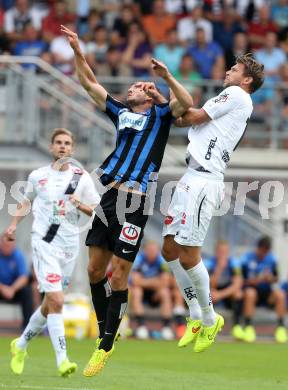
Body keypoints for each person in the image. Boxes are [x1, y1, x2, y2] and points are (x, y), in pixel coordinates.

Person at [60, 24, 192, 376]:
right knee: (93, 270)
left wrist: (165, 79)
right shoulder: (120, 111)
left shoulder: (161, 116)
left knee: (119, 275)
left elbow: (187, 103)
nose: (132, 88)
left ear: (148, 97)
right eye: (133, 86)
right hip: (109, 198)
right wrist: (77, 50)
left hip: (134, 203)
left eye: (137, 86)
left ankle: (104, 344)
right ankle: (108, 328)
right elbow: (89, 82)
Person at [161, 53, 264, 353]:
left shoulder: (235, 94)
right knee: (169, 249)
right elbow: (190, 120)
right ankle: (194, 314)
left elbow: (191, 117)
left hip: (204, 181)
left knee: (189, 256)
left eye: (234, 69)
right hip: (191, 176)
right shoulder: (232, 100)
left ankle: (210, 317)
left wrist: (164, 112)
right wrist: (166, 105)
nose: (228, 71)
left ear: (246, 80)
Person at [5, 128, 100, 377]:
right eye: (58, 142)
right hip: (45, 242)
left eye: (67, 143)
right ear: (51, 147)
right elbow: (26, 202)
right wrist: (13, 224)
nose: (62, 146)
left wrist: (79, 204)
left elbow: (97, 211)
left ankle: (21, 344)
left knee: (50, 304)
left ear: (72, 149)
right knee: (57, 300)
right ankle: (62, 360)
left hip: (69, 247)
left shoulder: (82, 178)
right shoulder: (38, 176)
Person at [241, 236, 287, 343]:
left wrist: (270, 278)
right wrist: (256, 280)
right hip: (253, 291)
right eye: (263, 250)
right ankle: (248, 328)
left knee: (280, 294)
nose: (264, 253)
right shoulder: (247, 258)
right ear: (258, 248)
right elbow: (242, 280)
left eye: (266, 251)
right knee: (250, 293)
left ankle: (281, 328)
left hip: (267, 292)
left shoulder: (272, 259)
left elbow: (276, 278)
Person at [130, 240, 174, 340]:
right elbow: (135, 281)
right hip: (142, 292)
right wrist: (155, 281)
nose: (151, 252)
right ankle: (141, 327)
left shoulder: (161, 260)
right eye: (149, 250)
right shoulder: (139, 259)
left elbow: (166, 282)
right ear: (144, 251)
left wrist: (144, 281)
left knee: (165, 292)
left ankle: (166, 327)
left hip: (156, 294)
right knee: (136, 291)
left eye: (154, 250)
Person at [204, 240, 244, 341]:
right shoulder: (209, 263)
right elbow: (207, 284)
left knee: (238, 294)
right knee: (206, 295)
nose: (222, 254)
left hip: (226, 292)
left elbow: (237, 284)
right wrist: (219, 269)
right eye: (220, 252)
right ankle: (207, 327)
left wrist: (220, 295)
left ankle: (237, 327)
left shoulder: (234, 263)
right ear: (216, 252)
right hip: (213, 289)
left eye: (224, 252)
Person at [0, 234, 33, 330]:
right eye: (5, 244)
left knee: (27, 291)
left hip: (14, 290)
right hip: (1, 288)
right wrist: (3, 288)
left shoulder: (18, 256)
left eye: (10, 245)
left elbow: (24, 277)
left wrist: (12, 289)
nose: (8, 247)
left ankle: (27, 328)